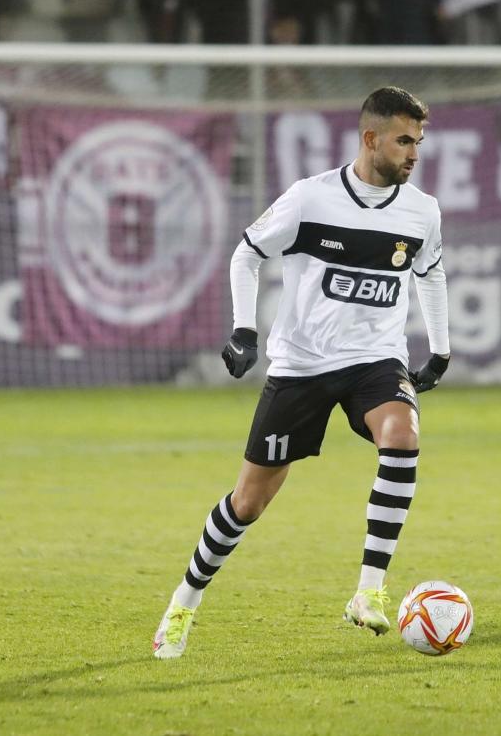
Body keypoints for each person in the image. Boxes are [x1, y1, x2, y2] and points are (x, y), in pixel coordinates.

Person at [152, 86, 451, 659]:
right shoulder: (309, 200)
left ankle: (368, 593)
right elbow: (247, 252)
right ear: (371, 139)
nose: (415, 153)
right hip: (303, 366)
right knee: (249, 502)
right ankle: (184, 600)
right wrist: (245, 329)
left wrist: (439, 349)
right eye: (405, 140)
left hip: (375, 360)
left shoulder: (422, 211)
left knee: (403, 435)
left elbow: (429, 273)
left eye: (420, 141)